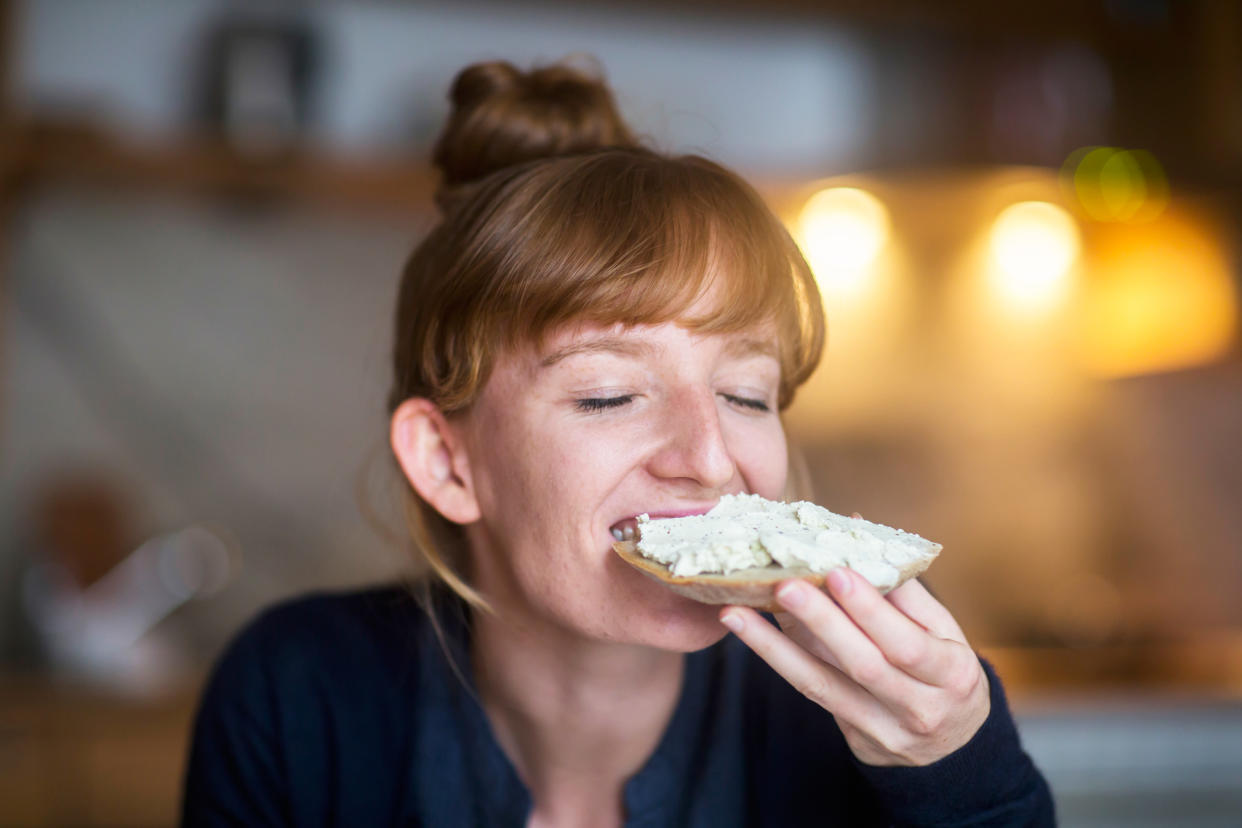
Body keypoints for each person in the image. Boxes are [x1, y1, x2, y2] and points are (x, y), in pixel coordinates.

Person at [182, 60, 1054, 827]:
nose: (711, 459)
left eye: (747, 393)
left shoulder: (857, 719)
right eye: (609, 394)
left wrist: (960, 785)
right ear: (449, 463)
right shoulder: (298, 697)